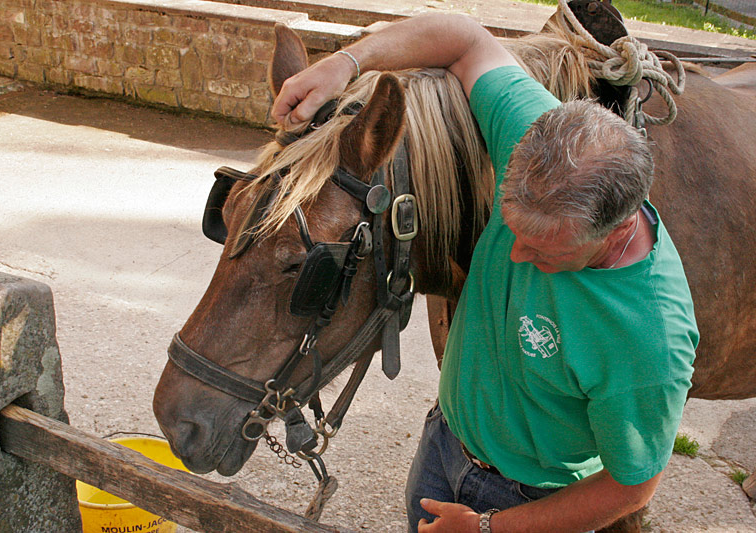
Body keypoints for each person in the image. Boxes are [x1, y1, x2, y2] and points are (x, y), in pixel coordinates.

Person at [273, 13, 698, 533]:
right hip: (445, 442)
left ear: (614, 229)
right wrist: (346, 62)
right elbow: (465, 39)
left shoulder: (647, 334)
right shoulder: (541, 139)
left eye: (542, 249)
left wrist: (486, 527)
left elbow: (630, 486)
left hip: (532, 497)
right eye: (511, 226)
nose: (513, 256)